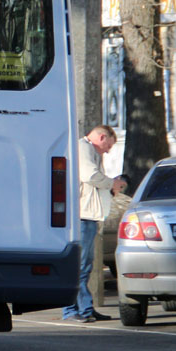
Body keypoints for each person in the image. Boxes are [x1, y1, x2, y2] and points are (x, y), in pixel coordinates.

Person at [63, 125, 126, 323]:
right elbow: (89, 176)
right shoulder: (83, 148)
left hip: (88, 215)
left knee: (85, 267)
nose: (108, 150)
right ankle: (74, 310)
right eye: (108, 145)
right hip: (82, 215)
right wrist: (111, 184)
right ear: (101, 137)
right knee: (79, 267)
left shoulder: (90, 150)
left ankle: (85, 309)